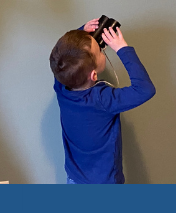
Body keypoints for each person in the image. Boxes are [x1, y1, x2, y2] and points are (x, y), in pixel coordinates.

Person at [49, 19, 155, 184]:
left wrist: (82, 32)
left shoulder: (62, 87)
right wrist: (122, 49)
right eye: (100, 51)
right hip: (104, 182)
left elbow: (62, 57)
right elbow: (144, 89)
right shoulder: (103, 99)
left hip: (74, 178)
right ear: (94, 75)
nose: (102, 51)